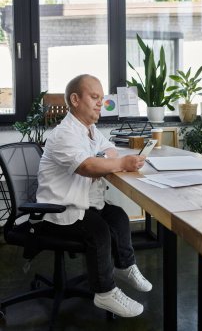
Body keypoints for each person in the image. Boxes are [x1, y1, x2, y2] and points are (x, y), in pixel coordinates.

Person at [36, 74, 152, 318]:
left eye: (101, 98)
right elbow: (87, 167)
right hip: (58, 210)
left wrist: (109, 158)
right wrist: (116, 161)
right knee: (98, 230)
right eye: (95, 97)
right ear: (75, 99)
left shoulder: (89, 130)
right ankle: (105, 292)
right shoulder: (64, 133)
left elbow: (108, 149)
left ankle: (124, 266)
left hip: (83, 204)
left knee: (118, 216)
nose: (101, 103)